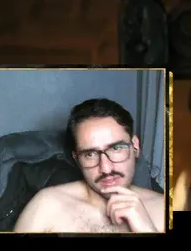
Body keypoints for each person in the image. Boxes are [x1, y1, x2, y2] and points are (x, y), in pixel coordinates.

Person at [13, 98, 166, 233]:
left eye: (115, 148)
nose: (106, 169)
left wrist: (147, 230)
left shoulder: (163, 208)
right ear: (76, 159)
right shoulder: (46, 207)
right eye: (90, 154)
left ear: (135, 146)